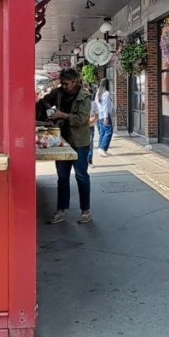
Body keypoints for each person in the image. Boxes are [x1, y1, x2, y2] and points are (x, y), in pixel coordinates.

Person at [37, 68, 94, 224]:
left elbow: (81, 120)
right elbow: (44, 100)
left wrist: (62, 115)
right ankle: (61, 210)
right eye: (61, 83)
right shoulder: (59, 92)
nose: (63, 86)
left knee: (81, 176)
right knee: (62, 177)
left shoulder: (84, 97)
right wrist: (48, 109)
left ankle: (85, 211)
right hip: (61, 140)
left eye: (66, 83)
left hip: (79, 143)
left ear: (75, 82)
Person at [95, 79, 114, 156]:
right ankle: (102, 148)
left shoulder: (98, 93)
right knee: (109, 132)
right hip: (105, 115)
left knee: (103, 132)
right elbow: (105, 106)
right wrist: (106, 117)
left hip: (100, 115)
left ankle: (102, 149)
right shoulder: (106, 93)